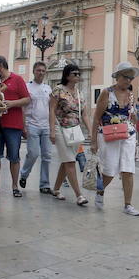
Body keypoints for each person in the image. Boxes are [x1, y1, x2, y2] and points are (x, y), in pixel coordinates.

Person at [90, 61, 139, 216]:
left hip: (128, 135)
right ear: (118, 76)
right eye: (126, 77)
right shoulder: (107, 93)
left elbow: (133, 116)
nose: (128, 81)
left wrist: (135, 120)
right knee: (110, 170)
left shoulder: (131, 95)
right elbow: (96, 117)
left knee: (128, 169)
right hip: (108, 135)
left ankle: (128, 205)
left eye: (131, 78)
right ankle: (100, 191)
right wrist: (93, 141)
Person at [49, 63, 90, 205]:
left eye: (79, 73)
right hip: (60, 127)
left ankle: (55, 189)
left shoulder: (79, 93)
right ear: (67, 75)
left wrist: (90, 131)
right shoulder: (58, 90)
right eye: (75, 73)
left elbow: (84, 114)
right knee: (70, 161)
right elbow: (52, 110)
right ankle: (79, 195)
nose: (77, 76)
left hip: (74, 130)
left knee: (67, 160)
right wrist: (52, 130)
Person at [0, 56, 31, 198]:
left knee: (14, 156)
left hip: (14, 124)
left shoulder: (17, 79)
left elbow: (27, 99)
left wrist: (12, 103)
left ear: (1, 65)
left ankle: (15, 187)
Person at [20, 61, 53, 194]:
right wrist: (23, 127)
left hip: (46, 127)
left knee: (47, 156)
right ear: (33, 71)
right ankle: (24, 174)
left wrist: (52, 127)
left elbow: (51, 108)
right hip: (31, 125)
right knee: (33, 154)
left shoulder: (48, 89)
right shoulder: (27, 87)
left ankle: (44, 184)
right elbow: (22, 108)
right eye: (38, 70)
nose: (40, 73)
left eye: (43, 71)